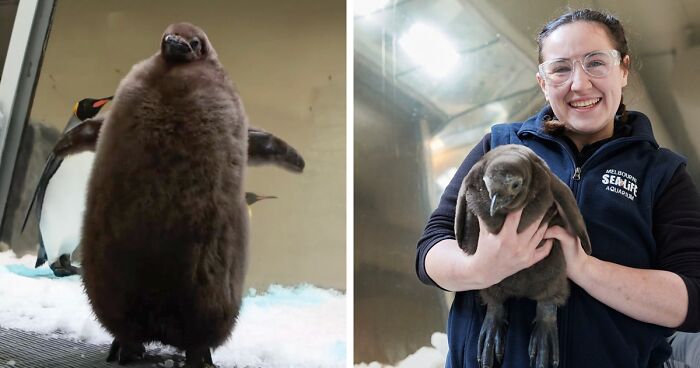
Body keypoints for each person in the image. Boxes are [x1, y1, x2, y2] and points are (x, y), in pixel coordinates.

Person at [416, 8, 700, 368]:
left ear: (623, 69)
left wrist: (582, 267)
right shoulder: (498, 145)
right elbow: (431, 248)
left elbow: (693, 300)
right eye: (561, 68)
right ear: (542, 81)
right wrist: (481, 268)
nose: (579, 84)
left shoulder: (662, 173)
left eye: (596, 62)